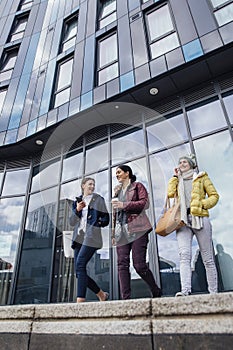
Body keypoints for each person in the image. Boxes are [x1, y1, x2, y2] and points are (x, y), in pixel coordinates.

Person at [167, 154, 219, 297]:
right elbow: (170, 194)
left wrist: (202, 204)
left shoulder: (201, 177)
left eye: (184, 162)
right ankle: (185, 291)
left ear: (191, 164)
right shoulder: (178, 180)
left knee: (207, 258)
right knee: (184, 255)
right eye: (180, 162)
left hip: (200, 217)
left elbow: (214, 196)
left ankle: (213, 292)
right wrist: (174, 176)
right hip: (182, 220)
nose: (182, 164)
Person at [112, 164, 161, 299]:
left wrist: (125, 204)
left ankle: (155, 290)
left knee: (139, 265)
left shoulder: (137, 186)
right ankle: (125, 299)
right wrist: (113, 234)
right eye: (116, 173)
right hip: (121, 232)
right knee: (122, 264)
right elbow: (115, 214)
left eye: (119, 172)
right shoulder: (117, 192)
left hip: (138, 228)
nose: (117, 175)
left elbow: (145, 204)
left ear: (127, 173)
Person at [70, 177, 110, 303]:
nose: (92, 186)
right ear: (83, 186)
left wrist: (96, 224)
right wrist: (77, 210)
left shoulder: (98, 199)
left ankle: (80, 300)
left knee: (80, 264)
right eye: (90, 184)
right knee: (78, 271)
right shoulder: (76, 202)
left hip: (91, 237)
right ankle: (101, 294)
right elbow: (71, 222)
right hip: (79, 238)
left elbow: (106, 219)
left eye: (94, 184)